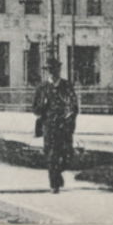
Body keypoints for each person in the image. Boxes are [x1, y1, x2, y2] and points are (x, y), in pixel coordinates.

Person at [33, 56, 79, 194]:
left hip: (65, 126)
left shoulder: (66, 86)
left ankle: (57, 174)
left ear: (59, 69)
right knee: (51, 155)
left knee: (67, 155)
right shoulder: (42, 88)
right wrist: (43, 105)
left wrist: (70, 116)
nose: (52, 72)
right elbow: (35, 109)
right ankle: (54, 183)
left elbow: (74, 105)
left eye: (54, 69)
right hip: (49, 127)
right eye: (49, 69)